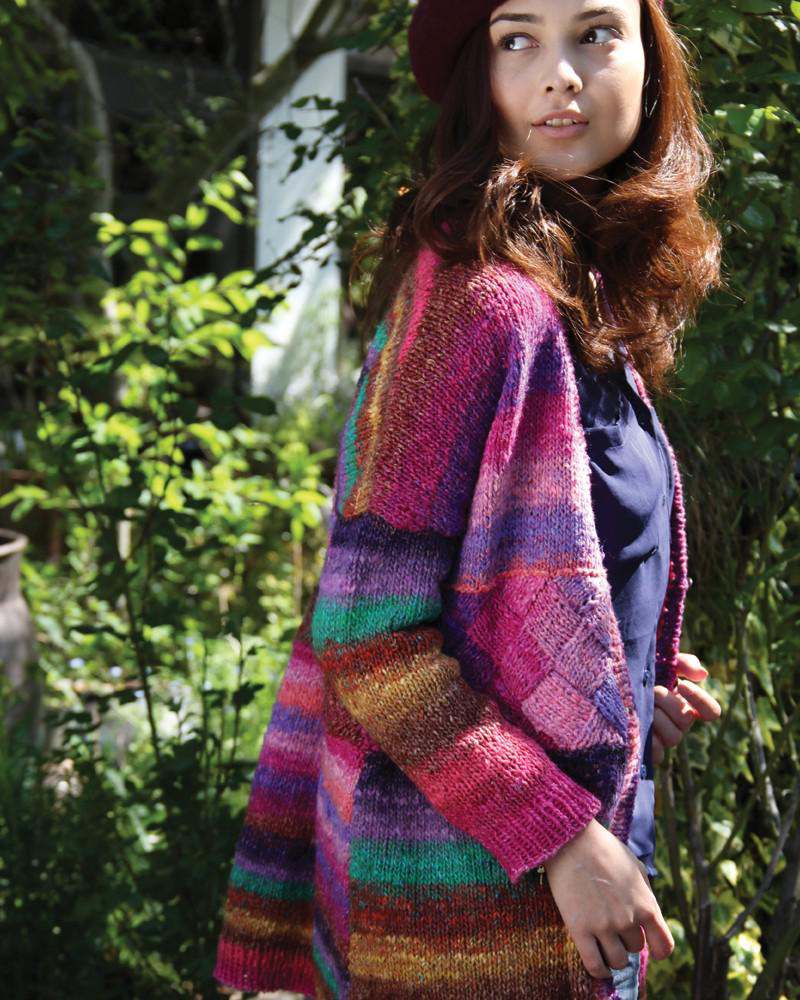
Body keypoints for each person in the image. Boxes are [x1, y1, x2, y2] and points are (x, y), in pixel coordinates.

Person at [214, 1, 724, 997]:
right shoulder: (480, 303)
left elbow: (522, 588)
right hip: (469, 914)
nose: (560, 74)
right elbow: (368, 632)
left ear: (651, 62)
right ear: (477, 83)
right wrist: (558, 834)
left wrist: (616, 687)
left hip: (568, 879)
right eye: (516, 40)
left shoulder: (579, 293)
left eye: (595, 33)